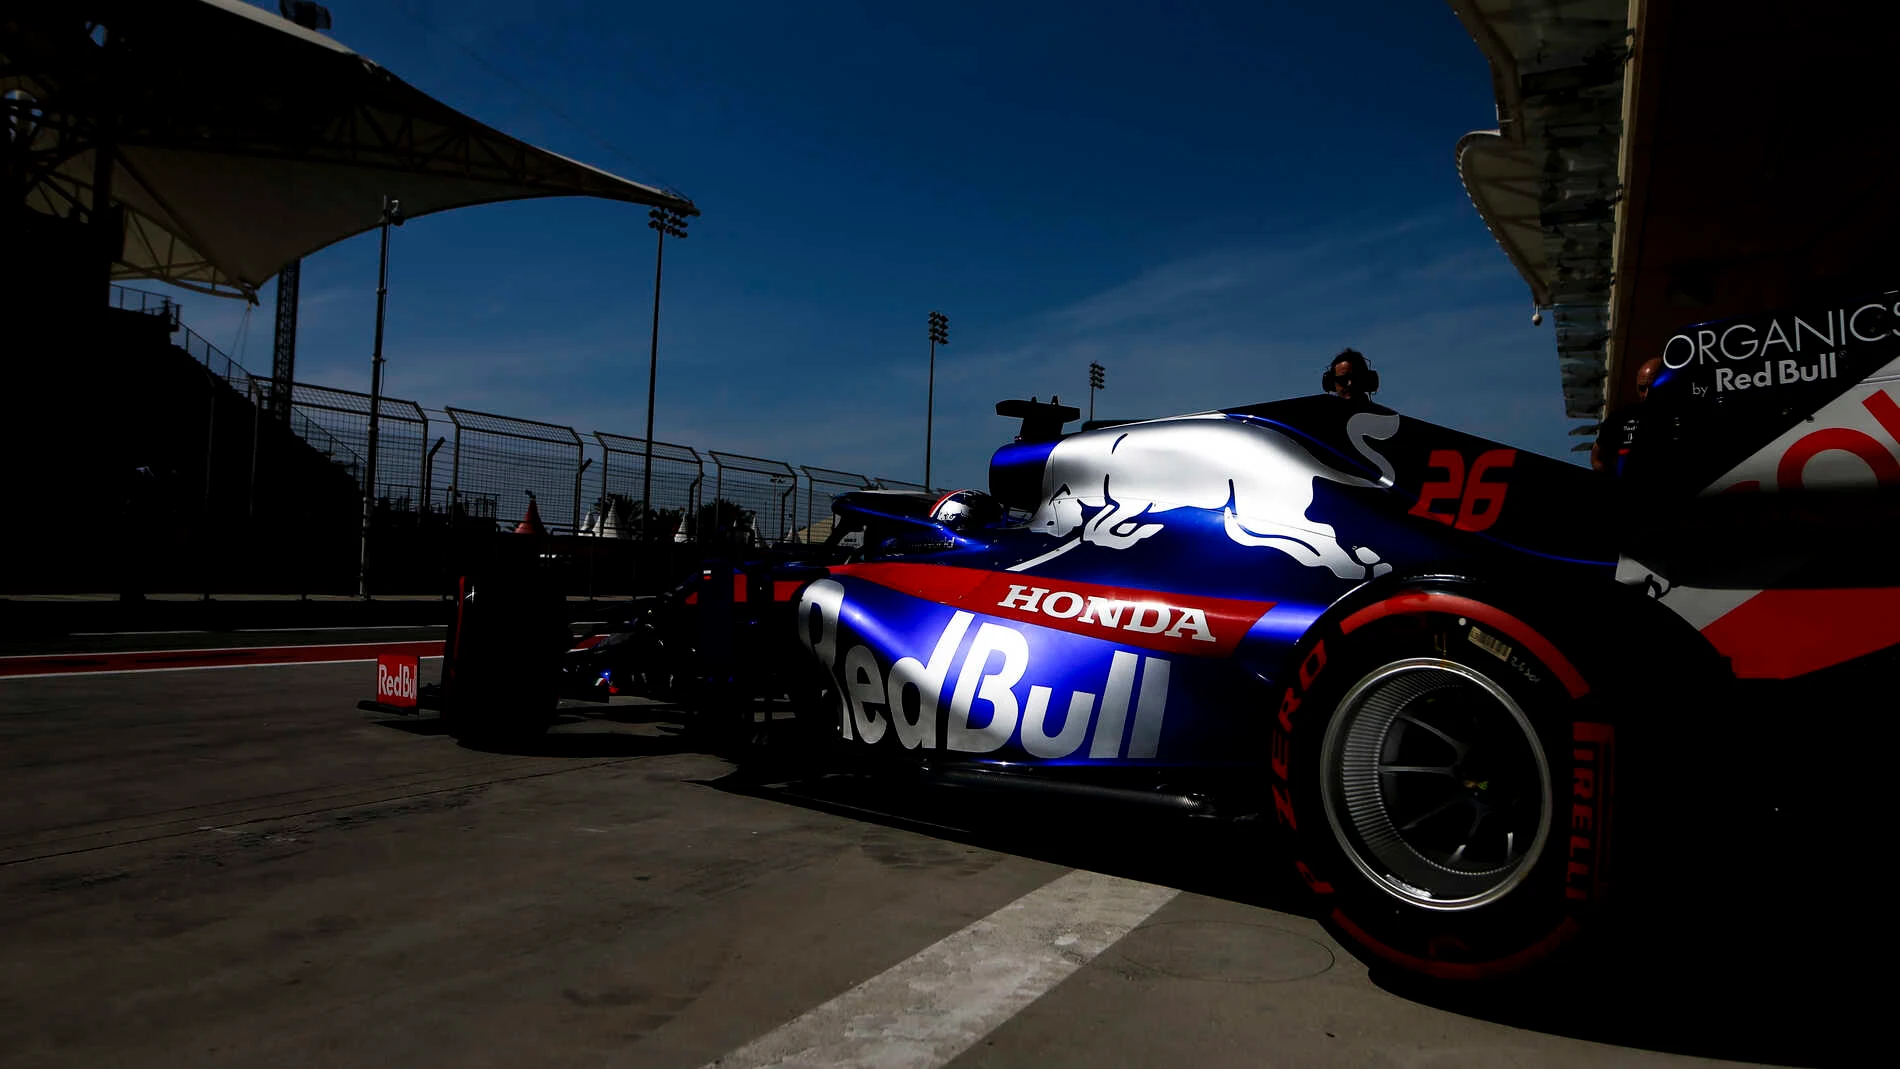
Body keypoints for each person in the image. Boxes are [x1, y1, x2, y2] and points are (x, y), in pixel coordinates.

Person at [1592, 357, 1661, 475]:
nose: (1647, 394)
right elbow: (1597, 458)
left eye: (1653, 387)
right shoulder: (1619, 418)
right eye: (1642, 388)